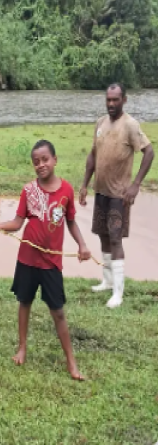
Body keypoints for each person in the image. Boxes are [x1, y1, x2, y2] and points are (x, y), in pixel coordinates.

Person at [0, 140, 91, 381]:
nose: (41, 165)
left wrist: (83, 245)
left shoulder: (66, 191)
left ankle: (71, 363)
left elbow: (71, 221)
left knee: (59, 312)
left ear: (55, 160)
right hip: (27, 259)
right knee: (25, 302)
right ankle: (22, 348)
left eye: (45, 159)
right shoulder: (28, 190)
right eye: (36, 162)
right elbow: (17, 222)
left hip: (51, 262)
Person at [79, 84, 155, 308]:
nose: (111, 104)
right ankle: (108, 281)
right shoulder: (100, 123)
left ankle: (118, 294)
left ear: (124, 100)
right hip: (100, 190)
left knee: (115, 238)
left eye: (115, 100)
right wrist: (84, 184)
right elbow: (93, 154)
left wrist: (136, 185)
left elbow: (149, 152)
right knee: (103, 235)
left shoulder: (130, 125)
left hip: (119, 195)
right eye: (108, 100)